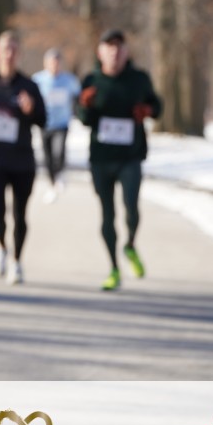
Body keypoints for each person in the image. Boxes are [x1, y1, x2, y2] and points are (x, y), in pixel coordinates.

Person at [77, 29, 161, 291]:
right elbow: (83, 119)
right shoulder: (92, 79)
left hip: (130, 156)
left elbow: (157, 106)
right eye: (109, 46)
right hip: (101, 158)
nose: (114, 51)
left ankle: (130, 245)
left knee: (131, 207)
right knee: (107, 214)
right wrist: (84, 106)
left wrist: (148, 110)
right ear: (100, 52)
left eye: (119, 47)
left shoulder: (139, 79)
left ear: (126, 52)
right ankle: (113, 267)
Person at [0, 31, 47, 285]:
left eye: (14, 49)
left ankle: (17, 261)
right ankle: (1, 248)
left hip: (21, 160)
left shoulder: (29, 86)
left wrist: (30, 109)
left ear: (19, 54)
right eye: (5, 49)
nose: (10, 54)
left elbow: (43, 120)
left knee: (20, 215)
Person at [32, 48, 80, 202]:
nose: (54, 65)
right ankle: (52, 183)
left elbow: (78, 96)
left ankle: (60, 175)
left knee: (58, 152)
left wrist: (77, 111)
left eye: (57, 62)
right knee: (47, 157)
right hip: (44, 123)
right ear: (45, 63)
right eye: (51, 62)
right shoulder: (38, 80)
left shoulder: (69, 80)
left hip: (62, 123)